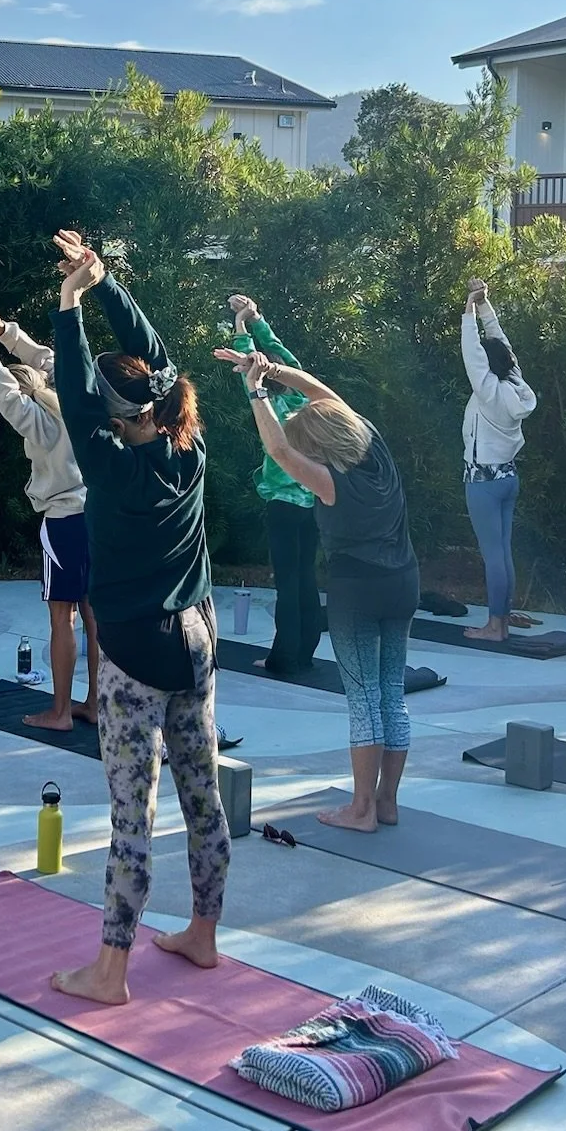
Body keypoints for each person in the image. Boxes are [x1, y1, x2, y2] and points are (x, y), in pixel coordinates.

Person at [46, 229, 227, 1006]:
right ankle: (204, 935)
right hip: (197, 643)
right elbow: (154, 356)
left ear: (119, 416)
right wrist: (103, 282)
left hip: (132, 656)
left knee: (133, 813)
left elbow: (81, 390)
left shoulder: (112, 467)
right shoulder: (189, 447)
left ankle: (111, 971)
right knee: (202, 794)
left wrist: (67, 303)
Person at [217, 344, 420, 832]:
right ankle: (387, 803)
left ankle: (362, 810)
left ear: (319, 446)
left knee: (364, 698)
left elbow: (278, 450)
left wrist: (255, 389)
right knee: (391, 691)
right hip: (404, 583)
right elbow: (319, 392)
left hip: (358, 592)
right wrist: (269, 368)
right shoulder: (374, 446)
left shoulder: (331, 480)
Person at [0, 307, 97, 731]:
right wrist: (3, 331)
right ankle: (94, 702)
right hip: (99, 517)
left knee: (62, 616)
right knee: (95, 614)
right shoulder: (75, 394)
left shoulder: (41, 423)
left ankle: (59, 714)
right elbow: (45, 356)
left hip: (65, 520)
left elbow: (5, 396)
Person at [227, 294, 323, 674]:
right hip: (312, 500)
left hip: (283, 504)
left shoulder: (265, 400)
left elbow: (253, 365)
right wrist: (257, 318)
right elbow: (282, 356)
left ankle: (284, 658)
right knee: (306, 578)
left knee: (288, 583)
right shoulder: (304, 395)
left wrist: (240, 327)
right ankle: (306, 654)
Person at [459, 278, 537, 643]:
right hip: (507, 479)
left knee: (493, 555)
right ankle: (502, 617)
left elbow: (473, 352)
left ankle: (495, 625)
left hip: (484, 484)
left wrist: (468, 312)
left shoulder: (488, 389)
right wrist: (485, 306)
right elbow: (502, 347)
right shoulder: (515, 385)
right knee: (502, 552)